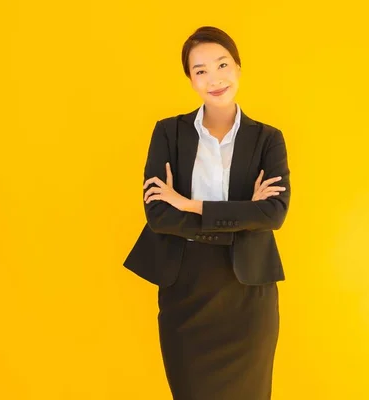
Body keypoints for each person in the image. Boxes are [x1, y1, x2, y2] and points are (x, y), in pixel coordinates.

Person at [123, 26, 291, 399]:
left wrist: (190, 204)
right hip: (186, 289)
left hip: (248, 293)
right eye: (200, 70)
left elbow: (274, 214)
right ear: (190, 79)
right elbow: (159, 216)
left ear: (238, 67)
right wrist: (242, 214)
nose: (213, 78)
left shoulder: (268, 139)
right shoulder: (168, 133)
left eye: (221, 64)